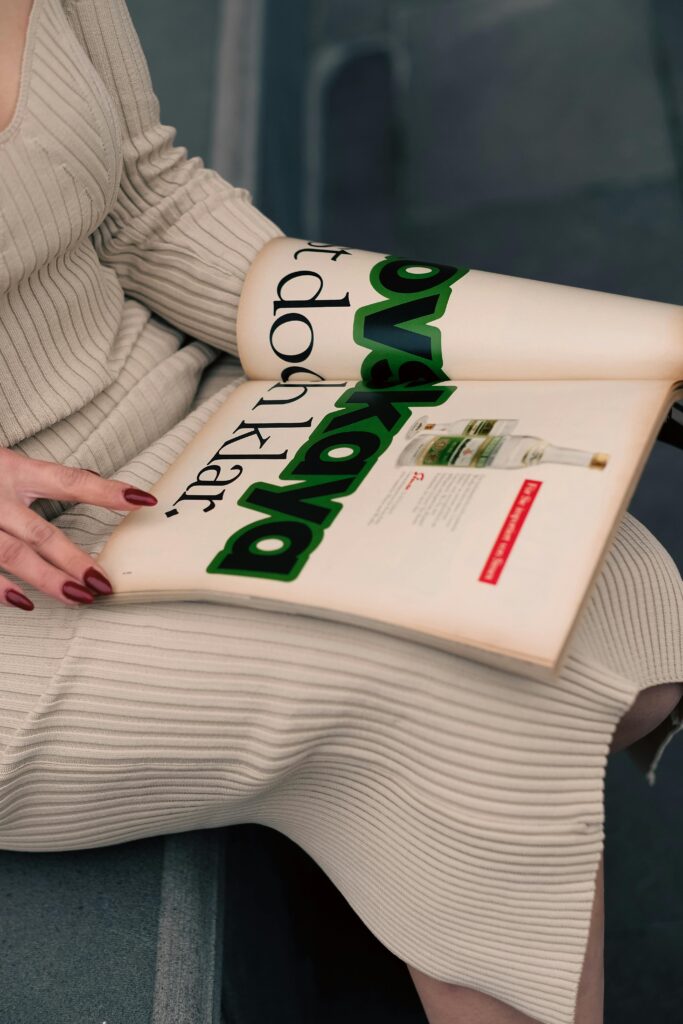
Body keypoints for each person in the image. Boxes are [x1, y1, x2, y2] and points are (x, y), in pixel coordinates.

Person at [0, 2, 681, 1022]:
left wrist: (509, 339)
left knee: (575, 555)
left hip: (181, 412)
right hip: (22, 596)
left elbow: (149, 200)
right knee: (458, 692)